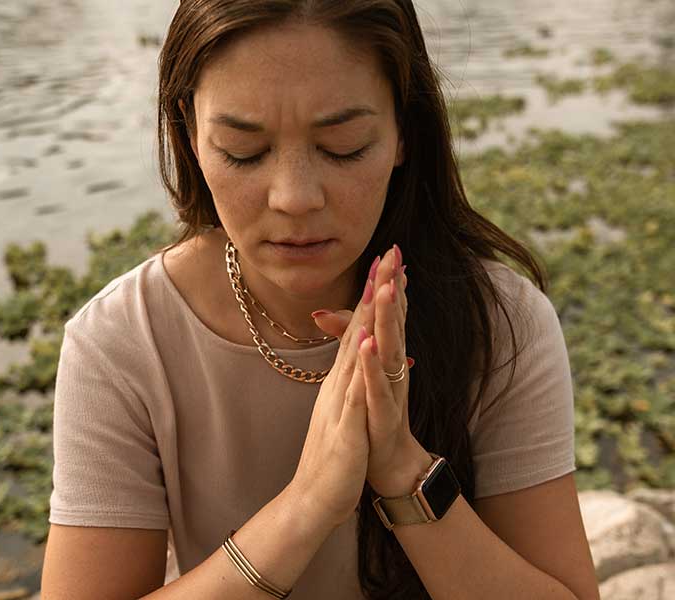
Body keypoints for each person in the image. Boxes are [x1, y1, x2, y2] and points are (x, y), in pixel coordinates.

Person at [40, 1, 600, 599]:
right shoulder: (124, 343)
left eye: (344, 146)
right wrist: (306, 506)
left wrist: (402, 471)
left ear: (404, 132)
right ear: (190, 133)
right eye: (243, 151)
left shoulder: (500, 324)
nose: (294, 198)